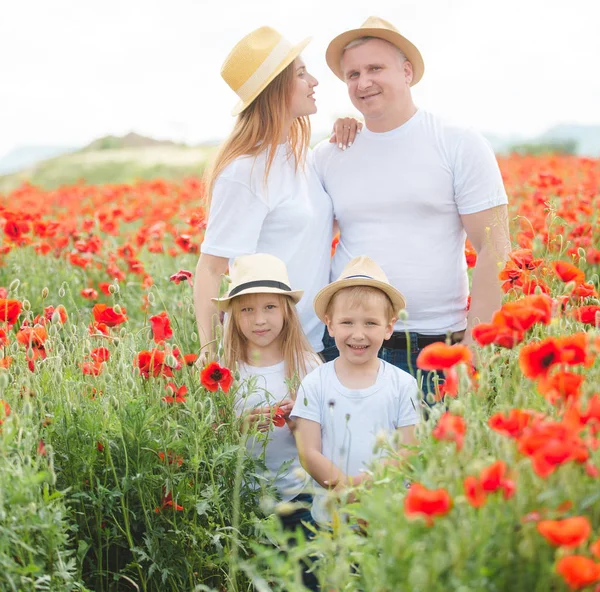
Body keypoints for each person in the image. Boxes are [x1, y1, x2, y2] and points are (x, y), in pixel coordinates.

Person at [314, 17, 511, 386]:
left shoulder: (458, 142)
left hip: (433, 344)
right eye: (352, 74)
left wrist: (473, 350)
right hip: (345, 344)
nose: (363, 82)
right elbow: (305, 239)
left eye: (375, 68)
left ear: (406, 72)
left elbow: (495, 247)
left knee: (426, 445)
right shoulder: (330, 153)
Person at [194, 26, 359, 365]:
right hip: (268, 355)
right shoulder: (245, 172)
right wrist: (211, 356)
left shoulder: (302, 157)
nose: (314, 81)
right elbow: (210, 270)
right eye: (301, 73)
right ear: (276, 89)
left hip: (317, 344)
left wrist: (356, 127)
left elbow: (319, 231)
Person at [214, 252, 321, 589]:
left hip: (299, 497)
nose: (259, 320)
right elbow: (209, 435)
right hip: (241, 502)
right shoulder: (223, 368)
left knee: (305, 579)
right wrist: (237, 427)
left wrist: (299, 425)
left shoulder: (307, 366)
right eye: (247, 309)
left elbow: (326, 436)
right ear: (233, 315)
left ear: (287, 311)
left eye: (270, 308)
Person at [291, 256, 419, 527]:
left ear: (389, 327)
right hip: (332, 518)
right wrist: (343, 487)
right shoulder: (315, 382)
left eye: (370, 323)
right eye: (347, 322)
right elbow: (308, 451)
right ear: (330, 325)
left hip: (388, 514)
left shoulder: (402, 384)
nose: (358, 334)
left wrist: (366, 487)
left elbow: (410, 449)